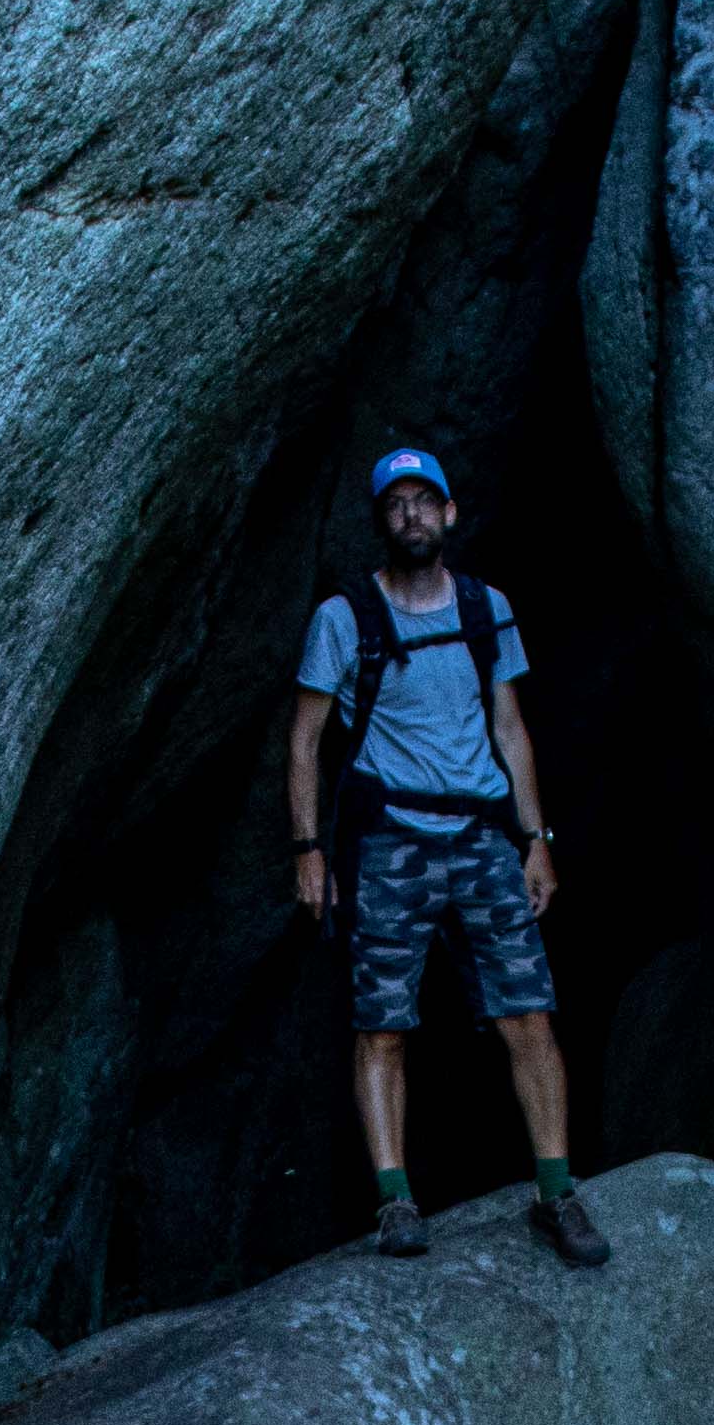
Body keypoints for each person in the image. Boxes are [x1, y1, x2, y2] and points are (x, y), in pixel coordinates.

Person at [286, 446, 607, 1267]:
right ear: (380, 521)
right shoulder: (343, 617)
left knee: (527, 1013)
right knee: (382, 1025)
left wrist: (538, 840)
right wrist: (308, 849)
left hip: (481, 837)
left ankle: (557, 1190)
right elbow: (305, 738)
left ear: (451, 512)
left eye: (425, 501)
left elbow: (509, 726)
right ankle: (395, 1202)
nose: (412, 517)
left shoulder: (483, 605)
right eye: (396, 505)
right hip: (389, 838)